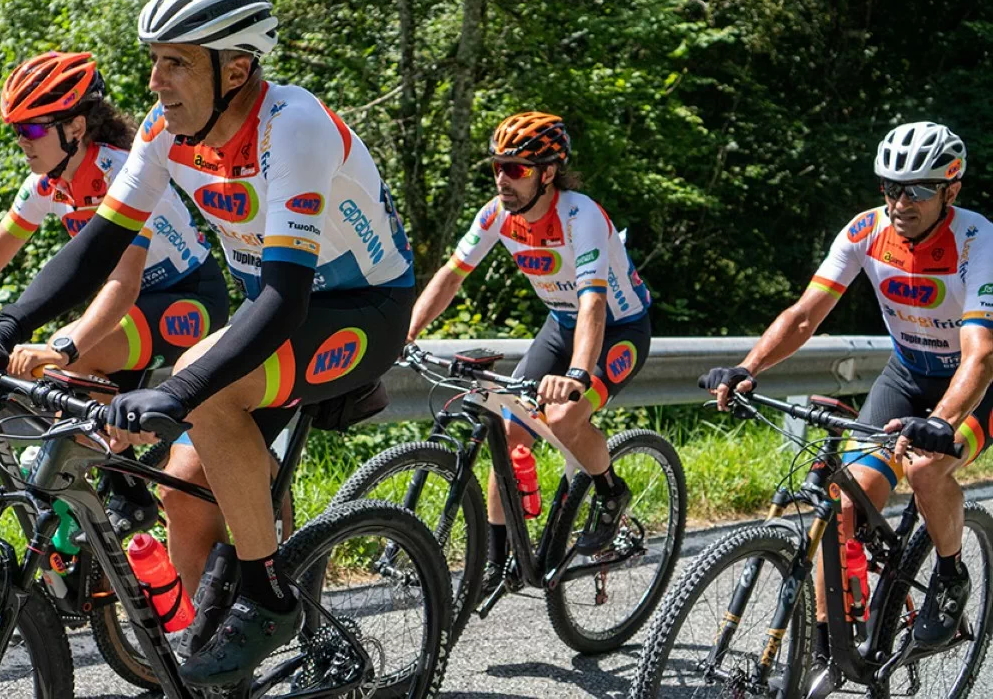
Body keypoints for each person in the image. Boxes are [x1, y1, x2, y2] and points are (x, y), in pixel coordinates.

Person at [0, 0, 415, 685]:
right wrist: (5, 330)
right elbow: (97, 247)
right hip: (275, 309)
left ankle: (267, 596)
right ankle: (212, 668)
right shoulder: (167, 132)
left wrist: (181, 388)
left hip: (358, 309)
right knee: (183, 491)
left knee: (212, 394)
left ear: (237, 69)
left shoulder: (294, 126)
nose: (156, 81)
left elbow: (286, 297)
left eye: (177, 61)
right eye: (154, 59)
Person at [0, 51, 229, 536]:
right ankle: (102, 530)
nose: (22, 142)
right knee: (64, 403)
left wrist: (63, 345)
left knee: (65, 364)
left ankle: (129, 499)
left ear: (75, 128)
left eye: (32, 130)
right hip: (128, 303)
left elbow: (124, 283)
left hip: (185, 297)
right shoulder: (48, 184)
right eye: (16, 131)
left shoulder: (121, 174)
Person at [699, 121, 993, 694]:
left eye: (917, 190)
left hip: (975, 383)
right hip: (907, 374)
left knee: (929, 466)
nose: (900, 201)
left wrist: (941, 422)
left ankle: (952, 577)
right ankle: (836, 639)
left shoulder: (979, 241)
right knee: (847, 492)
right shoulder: (865, 230)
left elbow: (980, 355)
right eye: (890, 187)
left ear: (950, 191)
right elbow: (805, 315)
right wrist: (748, 368)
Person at [406, 111, 653, 596]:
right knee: (508, 426)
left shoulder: (580, 215)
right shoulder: (497, 215)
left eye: (516, 169)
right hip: (560, 326)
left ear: (548, 173)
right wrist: (407, 332)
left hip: (618, 330)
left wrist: (579, 373)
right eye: (497, 166)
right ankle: (500, 565)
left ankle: (609, 490)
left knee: (563, 419)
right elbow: (453, 275)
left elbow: (593, 303)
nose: (502, 178)